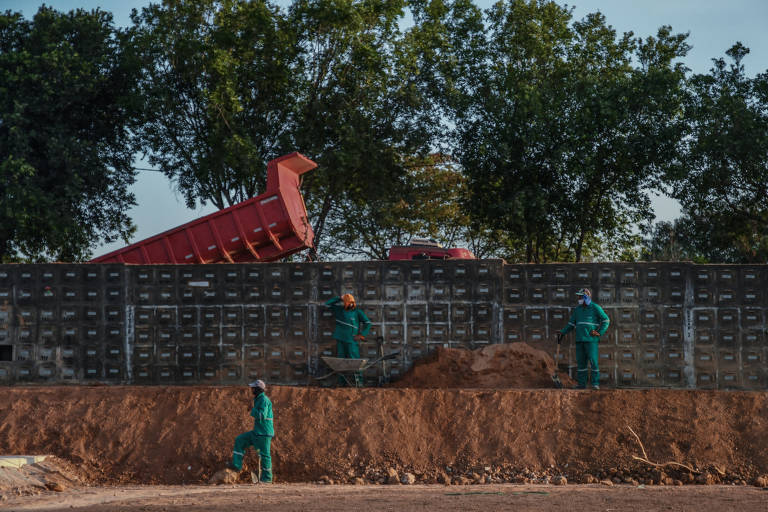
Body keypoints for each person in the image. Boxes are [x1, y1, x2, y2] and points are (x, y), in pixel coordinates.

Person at [559, 288, 610, 390]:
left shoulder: (595, 308)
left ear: (586, 297)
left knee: (593, 362)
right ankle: (582, 384)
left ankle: (595, 384)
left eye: (580, 296)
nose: (578, 298)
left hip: (591, 341)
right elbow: (571, 324)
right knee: (581, 363)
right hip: (579, 341)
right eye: (578, 296)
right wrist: (562, 332)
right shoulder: (578, 310)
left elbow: (606, 320)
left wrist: (599, 332)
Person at [229, 380, 273, 482]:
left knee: (265, 456)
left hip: (264, 433)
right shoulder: (258, 399)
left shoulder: (264, 400)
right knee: (240, 440)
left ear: (258, 389)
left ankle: (267, 479)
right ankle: (236, 465)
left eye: (253, 388)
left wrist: (252, 409)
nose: (251, 390)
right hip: (257, 432)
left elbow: (262, 416)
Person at [325, 294, 371, 386]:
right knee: (340, 362)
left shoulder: (357, 312)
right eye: (348, 302)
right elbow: (327, 304)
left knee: (355, 362)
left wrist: (361, 335)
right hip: (340, 340)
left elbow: (368, 323)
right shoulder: (339, 310)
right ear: (344, 303)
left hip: (351, 341)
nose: (351, 304)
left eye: (352, 302)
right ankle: (342, 383)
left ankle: (359, 382)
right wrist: (339, 298)